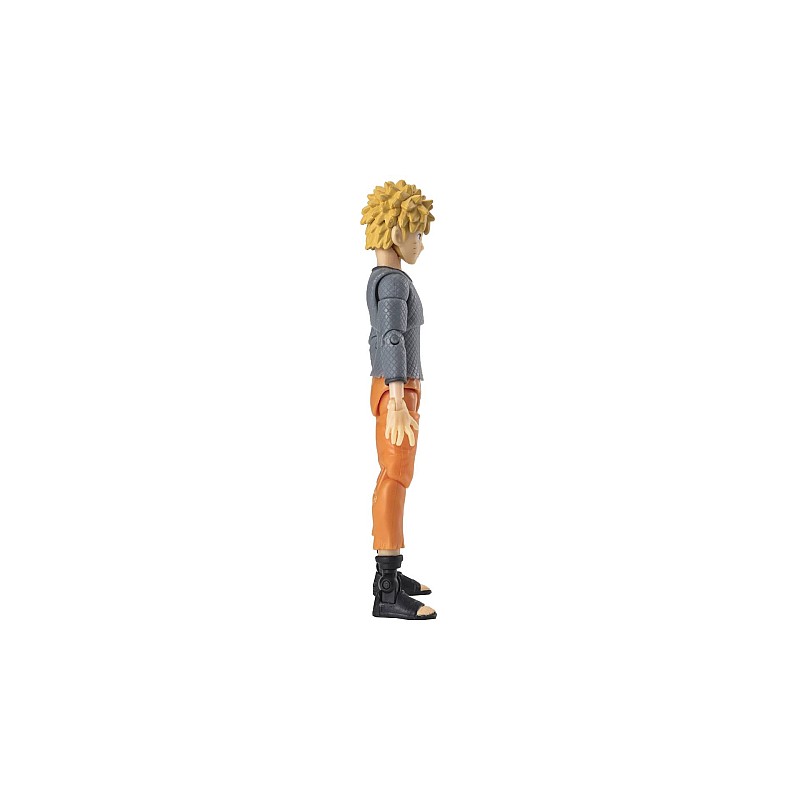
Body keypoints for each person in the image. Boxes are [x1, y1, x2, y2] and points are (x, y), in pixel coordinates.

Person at [361, 180, 437, 620]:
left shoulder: (385, 280)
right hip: (398, 391)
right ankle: (386, 588)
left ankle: (391, 570)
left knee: (395, 475)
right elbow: (391, 337)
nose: (420, 244)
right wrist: (396, 399)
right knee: (395, 477)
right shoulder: (392, 283)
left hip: (398, 388)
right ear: (395, 233)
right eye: (416, 234)